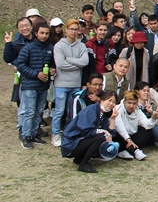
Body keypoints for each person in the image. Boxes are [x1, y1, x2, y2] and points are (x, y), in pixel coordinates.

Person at [15, 22, 54, 148]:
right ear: (36, 33)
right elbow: (20, 65)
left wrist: (53, 69)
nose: (44, 36)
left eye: (46, 33)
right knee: (30, 111)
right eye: (41, 33)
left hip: (43, 86)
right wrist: (35, 74)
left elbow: (53, 63)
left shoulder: (50, 48)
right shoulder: (28, 48)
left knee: (38, 112)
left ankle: (34, 134)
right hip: (30, 85)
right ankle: (26, 136)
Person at [51, 19, 90, 147]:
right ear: (66, 30)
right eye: (71, 29)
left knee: (72, 111)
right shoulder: (59, 45)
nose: (74, 32)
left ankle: (70, 133)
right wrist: (76, 64)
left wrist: (70, 60)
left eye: (76, 29)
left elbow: (85, 62)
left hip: (75, 84)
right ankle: (55, 134)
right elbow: (60, 64)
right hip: (61, 83)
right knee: (59, 110)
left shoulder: (81, 46)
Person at [61, 90, 120, 173]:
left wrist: (113, 119)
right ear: (102, 100)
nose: (111, 104)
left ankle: (79, 159)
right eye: (109, 100)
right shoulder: (91, 109)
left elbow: (111, 134)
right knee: (101, 137)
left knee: (103, 137)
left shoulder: (104, 114)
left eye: (114, 102)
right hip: (71, 144)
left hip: (79, 141)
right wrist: (102, 131)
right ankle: (83, 164)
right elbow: (85, 129)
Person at [114, 90, 157, 160]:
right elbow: (119, 126)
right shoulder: (117, 109)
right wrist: (127, 139)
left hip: (132, 136)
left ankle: (129, 149)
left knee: (148, 130)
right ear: (124, 102)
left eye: (134, 103)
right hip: (121, 136)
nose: (131, 106)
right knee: (117, 132)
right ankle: (134, 150)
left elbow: (147, 124)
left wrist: (154, 118)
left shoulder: (138, 111)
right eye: (129, 103)